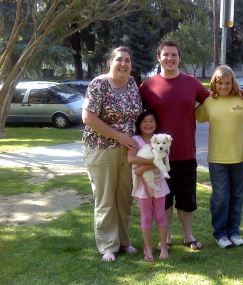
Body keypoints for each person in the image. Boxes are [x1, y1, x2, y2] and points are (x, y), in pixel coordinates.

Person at [140, 41, 210, 250]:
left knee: (186, 200)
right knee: (165, 200)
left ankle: (188, 236)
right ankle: (167, 237)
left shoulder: (192, 83)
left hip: (186, 153)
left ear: (179, 58)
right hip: (159, 158)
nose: (170, 59)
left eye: (174, 55)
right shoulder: (147, 86)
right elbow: (139, 118)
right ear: (158, 58)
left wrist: (238, 95)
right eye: (166, 55)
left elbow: (213, 101)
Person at [82, 46, 142, 262]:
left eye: (127, 60)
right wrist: (118, 136)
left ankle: (124, 241)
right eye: (119, 59)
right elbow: (88, 117)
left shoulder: (133, 83)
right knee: (105, 197)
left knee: (124, 198)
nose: (123, 64)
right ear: (111, 62)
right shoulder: (99, 84)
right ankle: (108, 245)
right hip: (101, 149)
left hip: (127, 150)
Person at [195, 66, 243, 249]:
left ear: (233, 83)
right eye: (220, 83)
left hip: (239, 157)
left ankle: (234, 232)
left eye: (227, 83)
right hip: (217, 159)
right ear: (214, 84)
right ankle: (221, 234)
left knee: (237, 196)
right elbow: (193, 115)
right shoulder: (209, 102)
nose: (224, 86)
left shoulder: (240, 100)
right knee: (221, 197)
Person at [128, 110, 170, 261]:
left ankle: (164, 247)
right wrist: (152, 163)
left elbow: (163, 160)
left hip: (159, 182)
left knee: (160, 215)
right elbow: (131, 159)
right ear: (139, 124)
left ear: (156, 124)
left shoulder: (160, 140)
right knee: (146, 217)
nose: (148, 124)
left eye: (151, 121)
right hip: (142, 185)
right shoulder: (135, 140)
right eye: (144, 121)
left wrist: (143, 167)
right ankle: (148, 249)